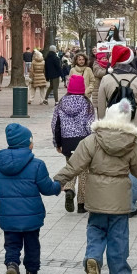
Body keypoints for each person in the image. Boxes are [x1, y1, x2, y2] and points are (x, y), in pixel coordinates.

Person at [54, 99, 137, 274]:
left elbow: (74, 166)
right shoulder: (133, 143)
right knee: (119, 237)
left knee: (96, 229)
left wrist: (57, 181)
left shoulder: (91, 140)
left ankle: (93, 257)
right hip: (120, 199)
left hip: (96, 197)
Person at [0, 123, 62, 274]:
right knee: (32, 243)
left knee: (12, 244)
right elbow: (47, 188)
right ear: (28, 143)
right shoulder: (37, 165)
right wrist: (58, 186)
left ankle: (12, 265)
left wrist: (3, 190)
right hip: (31, 216)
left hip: (8, 215)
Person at [96, 44, 137, 216]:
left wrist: (101, 128)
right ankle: (131, 203)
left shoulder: (107, 79)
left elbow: (101, 107)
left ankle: (115, 200)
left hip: (113, 127)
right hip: (135, 129)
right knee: (133, 165)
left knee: (116, 165)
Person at [52, 74, 96, 213]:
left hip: (67, 141)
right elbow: (90, 125)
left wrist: (57, 143)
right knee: (84, 172)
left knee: (71, 167)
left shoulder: (61, 103)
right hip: (83, 140)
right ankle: (82, 204)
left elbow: (55, 124)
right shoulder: (87, 103)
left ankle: (69, 189)